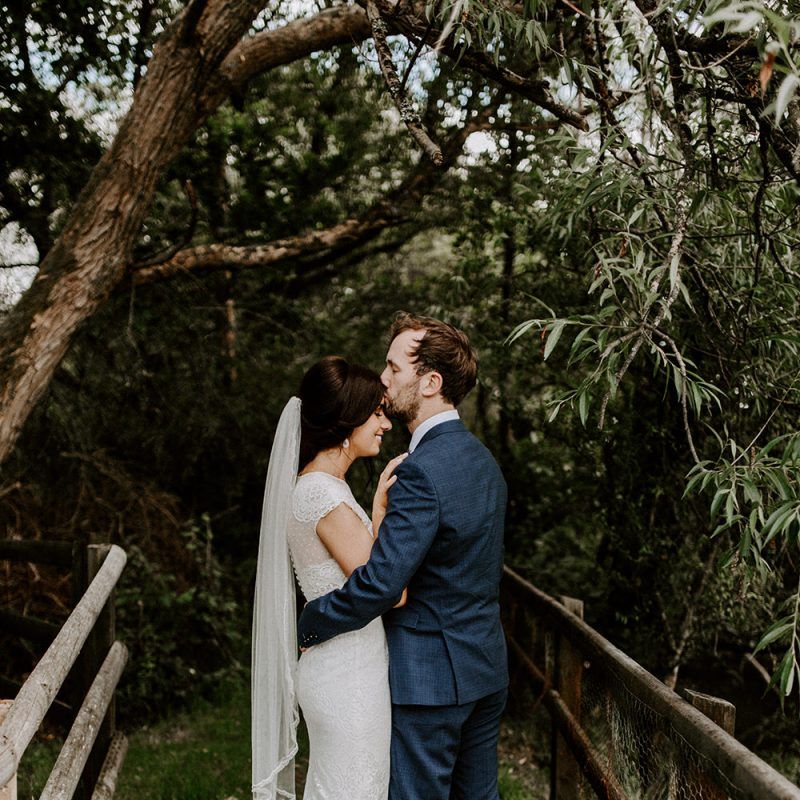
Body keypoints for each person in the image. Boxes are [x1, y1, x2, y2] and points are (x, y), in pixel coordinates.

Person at [298, 314, 508, 800]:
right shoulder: (484, 462)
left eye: (394, 368)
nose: (384, 379)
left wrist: (313, 620)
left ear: (430, 382)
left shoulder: (419, 471)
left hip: (428, 682)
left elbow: (380, 584)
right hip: (486, 670)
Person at [252, 356, 407, 800]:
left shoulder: (321, 488)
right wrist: (381, 516)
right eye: (376, 413)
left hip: (342, 665)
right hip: (348, 676)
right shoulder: (322, 494)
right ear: (347, 419)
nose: (385, 424)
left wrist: (375, 512)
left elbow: (363, 572)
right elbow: (389, 590)